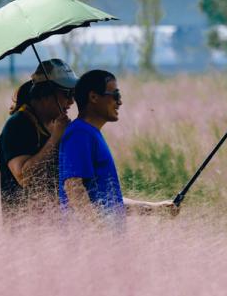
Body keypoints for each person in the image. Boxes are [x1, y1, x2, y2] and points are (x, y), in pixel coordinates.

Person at [58, 69, 176, 224]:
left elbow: (112, 202)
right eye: (115, 96)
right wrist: (98, 233)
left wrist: (155, 208)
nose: (119, 102)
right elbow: (73, 188)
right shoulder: (79, 134)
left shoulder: (90, 133)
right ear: (93, 97)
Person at [0, 59, 78, 222]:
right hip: (26, 233)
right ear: (46, 94)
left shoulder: (54, 123)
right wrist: (55, 138)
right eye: (66, 94)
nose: (71, 101)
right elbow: (23, 177)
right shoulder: (17, 126)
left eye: (74, 94)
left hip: (57, 227)